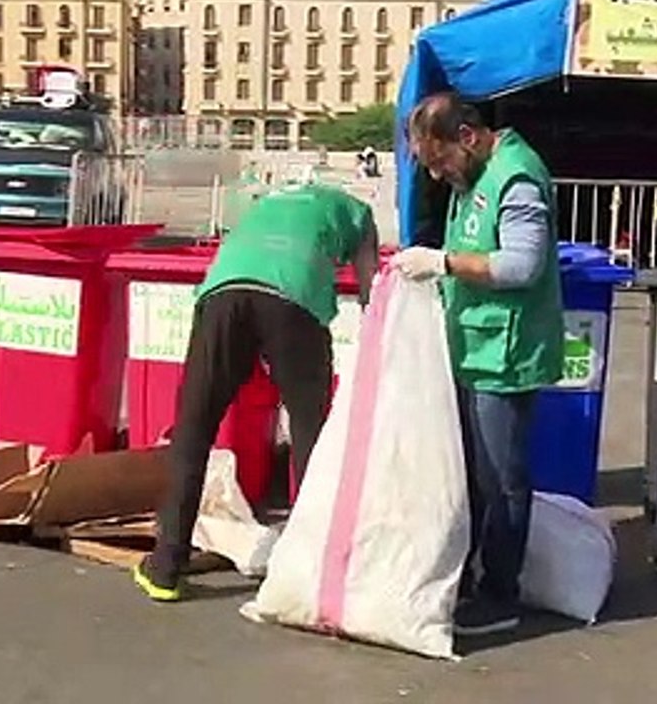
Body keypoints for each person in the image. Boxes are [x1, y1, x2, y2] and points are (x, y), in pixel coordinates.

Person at [135, 179, 380, 602]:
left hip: (224, 292)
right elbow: (370, 283)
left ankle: (166, 567)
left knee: (194, 429)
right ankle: (312, 568)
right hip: (293, 298)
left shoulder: (264, 204)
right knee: (309, 429)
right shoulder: (357, 212)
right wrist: (369, 307)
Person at [392, 91, 564, 635]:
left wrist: (440, 263)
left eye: (441, 160)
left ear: (467, 137)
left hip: (505, 353)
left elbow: (521, 265)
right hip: (472, 345)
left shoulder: (515, 178)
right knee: (469, 474)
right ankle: (464, 578)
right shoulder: (473, 179)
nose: (439, 175)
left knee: (502, 480)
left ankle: (500, 594)